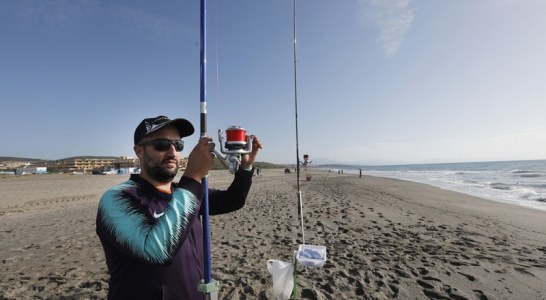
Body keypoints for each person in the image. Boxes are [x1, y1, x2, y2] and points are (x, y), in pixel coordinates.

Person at [96, 115, 262, 299]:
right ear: (139, 151)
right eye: (161, 144)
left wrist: (246, 168)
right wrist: (192, 178)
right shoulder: (117, 198)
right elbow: (157, 251)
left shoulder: (185, 193)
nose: (172, 151)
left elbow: (233, 200)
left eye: (178, 145)